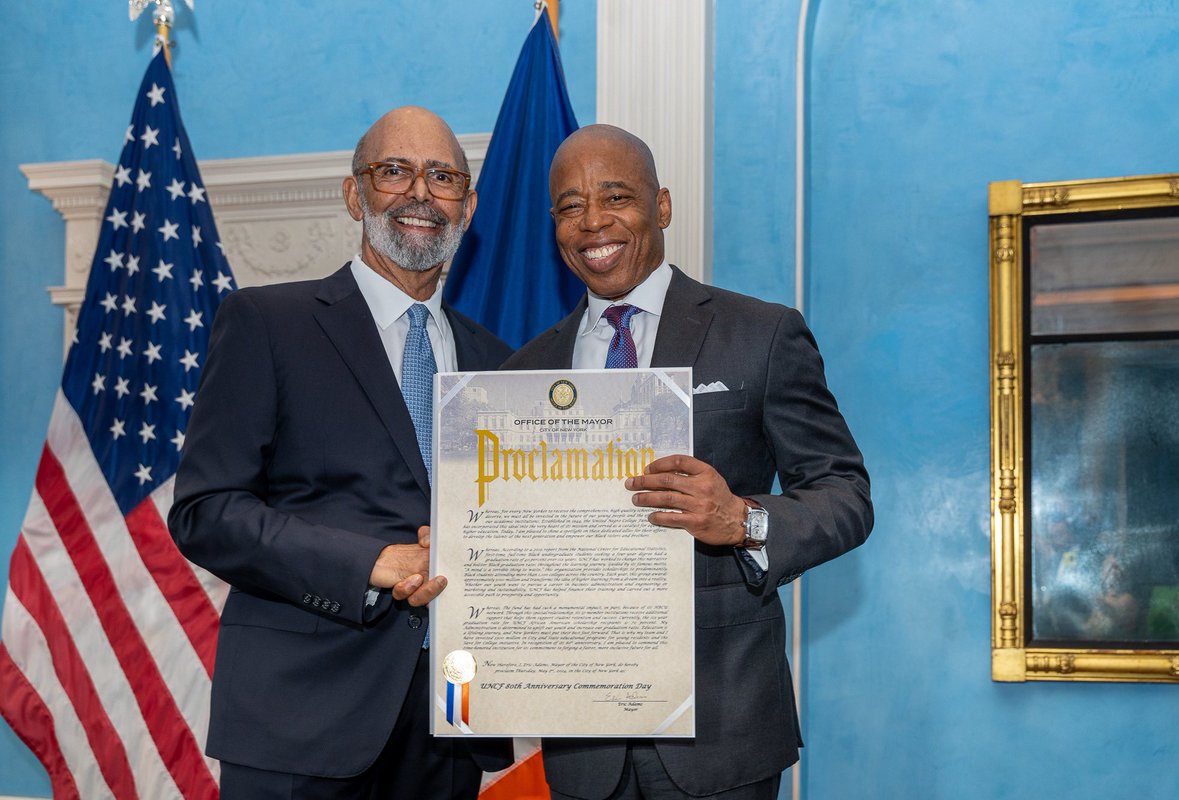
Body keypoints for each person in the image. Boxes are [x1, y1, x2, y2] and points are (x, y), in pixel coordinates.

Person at [504, 124, 874, 800]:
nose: (593, 222)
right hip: (582, 745)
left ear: (662, 207)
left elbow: (845, 494)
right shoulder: (524, 370)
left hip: (721, 734)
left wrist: (745, 519)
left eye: (616, 196)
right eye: (570, 205)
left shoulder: (760, 334)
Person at [169, 107, 513, 799]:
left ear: (469, 206)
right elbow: (206, 511)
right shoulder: (267, 323)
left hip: (451, 720)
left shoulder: (498, 363)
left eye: (443, 177)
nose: (420, 193)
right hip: (300, 719)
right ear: (355, 194)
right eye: (395, 171)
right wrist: (372, 563)